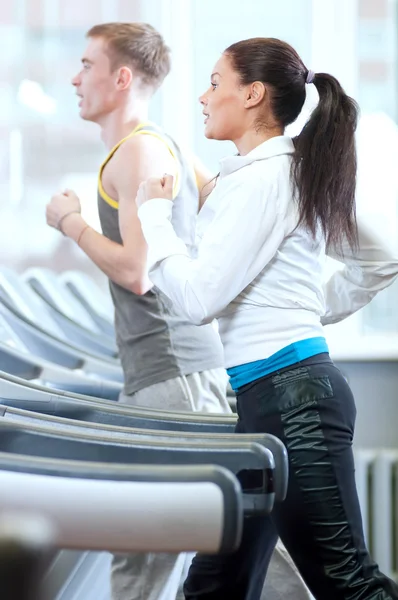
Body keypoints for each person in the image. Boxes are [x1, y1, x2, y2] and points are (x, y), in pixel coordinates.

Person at [45, 24, 311, 600]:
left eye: (86, 65)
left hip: (171, 374)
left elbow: (139, 272)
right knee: (240, 537)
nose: (75, 77)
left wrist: (71, 223)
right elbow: (220, 206)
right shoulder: (164, 144)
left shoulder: (139, 149)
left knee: (145, 548)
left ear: (121, 78)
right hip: (177, 370)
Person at [135, 37, 398, 600]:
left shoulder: (262, 179)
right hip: (270, 400)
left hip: (292, 404)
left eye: (214, 82)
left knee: (349, 586)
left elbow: (199, 299)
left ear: (252, 94)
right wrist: (304, 308)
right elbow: (383, 261)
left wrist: (154, 217)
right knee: (215, 584)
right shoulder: (286, 174)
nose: (204, 97)